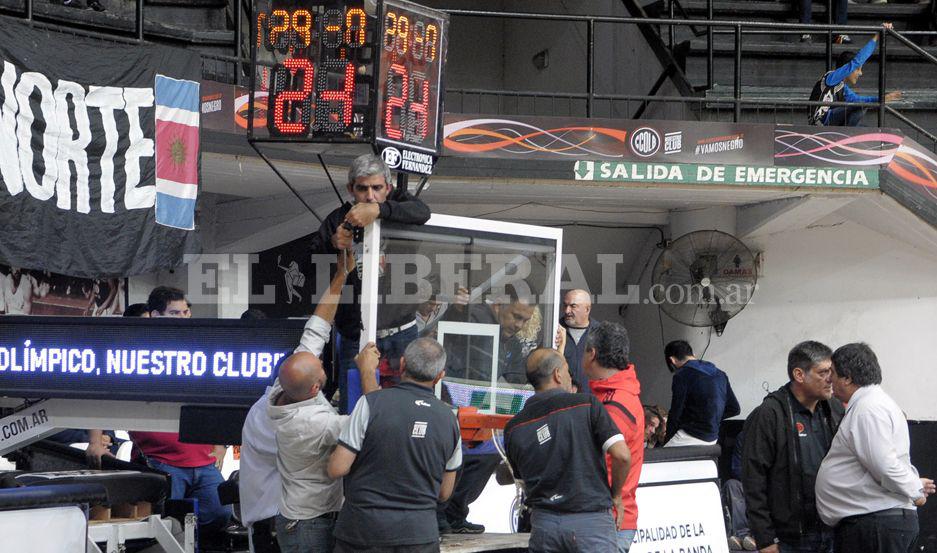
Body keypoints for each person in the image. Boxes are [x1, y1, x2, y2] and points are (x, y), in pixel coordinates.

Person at [310, 153, 431, 413]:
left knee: (405, 407)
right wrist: (335, 247)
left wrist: (379, 210)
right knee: (356, 408)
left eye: (377, 188)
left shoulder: (398, 205)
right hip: (358, 334)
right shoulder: (337, 219)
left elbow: (423, 212)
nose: (370, 195)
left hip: (402, 330)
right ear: (351, 189)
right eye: (363, 189)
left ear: (388, 187)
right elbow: (313, 265)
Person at [327, 338, 462, 553]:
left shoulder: (370, 404)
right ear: (440, 376)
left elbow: (337, 468)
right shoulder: (450, 420)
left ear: (401, 365)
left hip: (363, 533)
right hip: (419, 537)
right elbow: (444, 492)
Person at [504, 348, 631, 552]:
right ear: (558, 374)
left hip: (544, 526)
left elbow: (519, 477)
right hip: (591, 522)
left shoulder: (514, 427)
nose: (570, 376)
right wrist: (616, 496)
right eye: (568, 371)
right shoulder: (587, 404)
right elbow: (622, 456)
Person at [816, 343, 936, 553]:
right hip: (876, 523)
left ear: (848, 377)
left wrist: (915, 489)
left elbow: (884, 465)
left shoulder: (868, 409)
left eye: (833, 373)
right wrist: (912, 484)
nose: (829, 379)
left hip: (876, 525)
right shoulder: (872, 404)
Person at [129, 286, 230, 534]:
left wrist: (220, 444)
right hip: (160, 461)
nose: (184, 318)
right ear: (154, 316)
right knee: (164, 524)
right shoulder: (137, 353)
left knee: (221, 513)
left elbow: (215, 398)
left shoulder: (200, 353)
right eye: (175, 313)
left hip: (202, 460)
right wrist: (96, 440)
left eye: (186, 312)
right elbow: (101, 395)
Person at [741, 341, 843, 553]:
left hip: (833, 530)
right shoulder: (770, 414)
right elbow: (754, 479)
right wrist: (765, 538)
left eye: (831, 372)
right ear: (799, 375)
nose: (830, 379)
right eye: (823, 372)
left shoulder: (833, 409)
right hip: (790, 538)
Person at [582, 322, 644, 553]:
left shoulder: (617, 403)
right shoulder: (611, 393)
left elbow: (618, 457)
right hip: (606, 518)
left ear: (592, 354)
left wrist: (615, 496)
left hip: (608, 520)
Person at [809, 26, 903, 126]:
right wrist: (877, 36)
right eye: (858, 69)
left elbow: (861, 100)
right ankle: (849, 135)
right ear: (847, 68)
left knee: (865, 127)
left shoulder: (841, 86)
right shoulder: (831, 77)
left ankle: (850, 136)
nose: (860, 73)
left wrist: (884, 98)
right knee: (859, 106)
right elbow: (857, 61)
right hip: (819, 123)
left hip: (829, 121)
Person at [663, 340, 740, 447]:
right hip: (713, 440)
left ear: (672, 360)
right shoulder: (721, 374)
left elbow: (676, 413)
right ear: (693, 354)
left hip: (690, 436)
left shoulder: (682, 375)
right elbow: (734, 409)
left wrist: (667, 440)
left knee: (657, 460)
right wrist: (711, 419)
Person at [560, 289, 600, 390]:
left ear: (587, 309)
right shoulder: (554, 329)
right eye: (565, 305)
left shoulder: (601, 333)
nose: (567, 311)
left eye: (573, 306)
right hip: (562, 400)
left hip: (591, 401)